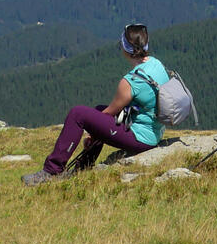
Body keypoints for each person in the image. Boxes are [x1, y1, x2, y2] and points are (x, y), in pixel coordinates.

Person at [22, 23, 168, 185]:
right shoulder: (156, 64)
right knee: (98, 110)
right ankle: (82, 169)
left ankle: (51, 171)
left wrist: (93, 134)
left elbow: (109, 114)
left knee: (77, 114)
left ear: (125, 48)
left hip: (140, 138)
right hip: (154, 131)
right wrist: (97, 129)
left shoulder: (131, 82)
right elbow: (141, 104)